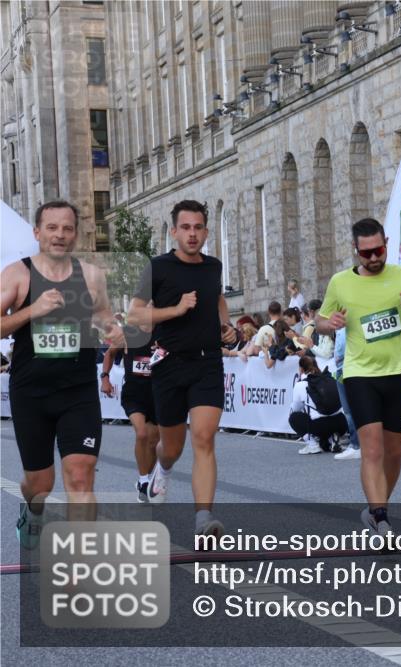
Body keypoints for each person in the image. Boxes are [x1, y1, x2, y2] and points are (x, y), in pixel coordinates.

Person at [0, 200, 124, 547]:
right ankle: (32, 510)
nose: (60, 235)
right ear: (37, 233)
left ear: (76, 234)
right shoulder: (17, 274)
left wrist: (112, 329)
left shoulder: (91, 275)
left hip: (78, 391)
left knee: (81, 475)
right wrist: (32, 311)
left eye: (67, 228)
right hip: (32, 393)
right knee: (39, 484)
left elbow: (103, 315)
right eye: (52, 227)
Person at [128, 200, 237, 539]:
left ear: (206, 231)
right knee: (172, 447)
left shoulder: (213, 266)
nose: (192, 234)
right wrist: (174, 310)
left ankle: (203, 518)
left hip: (206, 362)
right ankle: (162, 467)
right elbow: (135, 315)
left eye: (198, 227)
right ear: (174, 231)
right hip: (169, 364)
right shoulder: (157, 267)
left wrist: (225, 325)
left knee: (204, 439)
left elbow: (217, 298)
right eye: (186, 228)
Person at [314, 218, 401, 535]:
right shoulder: (341, 282)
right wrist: (330, 322)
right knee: (373, 450)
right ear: (356, 251)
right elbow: (319, 321)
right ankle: (380, 517)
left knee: (394, 453)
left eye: (378, 250)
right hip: (360, 375)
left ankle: (378, 507)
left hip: (397, 373)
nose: (374, 258)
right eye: (366, 253)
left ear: (387, 243)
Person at [101, 312, 160, 502]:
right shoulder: (127, 334)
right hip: (134, 394)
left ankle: (147, 479)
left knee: (153, 441)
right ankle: (144, 481)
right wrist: (105, 378)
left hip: (157, 394)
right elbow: (109, 355)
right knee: (141, 433)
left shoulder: (164, 333)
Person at [288, 355, 347, 455]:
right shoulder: (329, 378)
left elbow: (295, 408)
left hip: (321, 425)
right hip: (341, 423)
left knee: (293, 418)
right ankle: (332, 438)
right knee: (324, 438)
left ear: (301, 369)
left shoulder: (301, 384)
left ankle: (312, 445)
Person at [331, 329, 361, 459]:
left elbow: (341, 346)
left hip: (345, 367)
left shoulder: (342, 326)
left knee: (349, 410)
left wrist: (339, 359)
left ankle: (356, 445)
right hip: (348, 366)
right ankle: (358, 444)